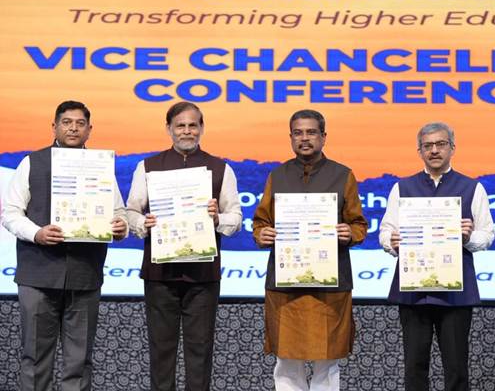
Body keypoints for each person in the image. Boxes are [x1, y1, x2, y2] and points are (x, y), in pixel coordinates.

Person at [1, 100, 128, 391]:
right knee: (35, 358)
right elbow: (10, 213)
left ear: (89, 130)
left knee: (79, 362)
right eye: (67, 122)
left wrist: (121, 226)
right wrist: (37, 233)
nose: (73, 128)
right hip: (38, 276)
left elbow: (118, 213)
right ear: (55, 126)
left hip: (85, 276)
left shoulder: (100, 166)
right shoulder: (32, 162)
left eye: (80, 123)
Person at [126, 101, 242, 391]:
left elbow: (236, 218)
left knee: (200, 352)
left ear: (202, 128)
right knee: (161, 352)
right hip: (160, 274)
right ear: (169, 129)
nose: (187, 131)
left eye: (193, 125)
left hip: (202, 277)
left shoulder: (221, 168)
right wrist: (143, 223)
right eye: (180, 125)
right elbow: (131, 212)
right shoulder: (148, 167)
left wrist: (218, 218)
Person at [253, 109, 368, 391]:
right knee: (286, 362)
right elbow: (260, 222)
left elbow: (359, 225)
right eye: (298, 133)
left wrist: (349, 233)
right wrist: (262, 234)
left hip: (329, 286)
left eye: (311, 132)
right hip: (285, 286)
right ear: (291, 137)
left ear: (324, 137)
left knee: (327, 363)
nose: (304, 138)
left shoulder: (343, 175)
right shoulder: (277, 175)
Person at [379, 122, 495, 391]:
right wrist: (391, 242)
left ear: (452, 148)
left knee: (456, 367)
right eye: (427, 145)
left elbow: (487, 235)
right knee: (414, 366)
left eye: (441, 144)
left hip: (455, 292)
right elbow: (386, 231)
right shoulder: (402, 188)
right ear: (419, 151)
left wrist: (468, 238)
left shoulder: (472, 187)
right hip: (413, 289)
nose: (434, 150)